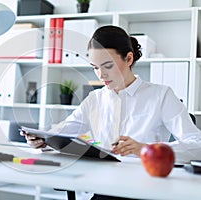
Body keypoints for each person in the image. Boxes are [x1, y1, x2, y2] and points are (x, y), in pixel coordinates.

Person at [21, 25, 201, 198]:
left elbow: (197, 145)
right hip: (104, 189)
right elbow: (63, 132)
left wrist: (145, 150)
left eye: (107, 66)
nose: (101, 75)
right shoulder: (95, 99)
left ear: (129, 59)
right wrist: (43, 140)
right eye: (95, 67)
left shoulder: (161, 95)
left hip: (146, 190)